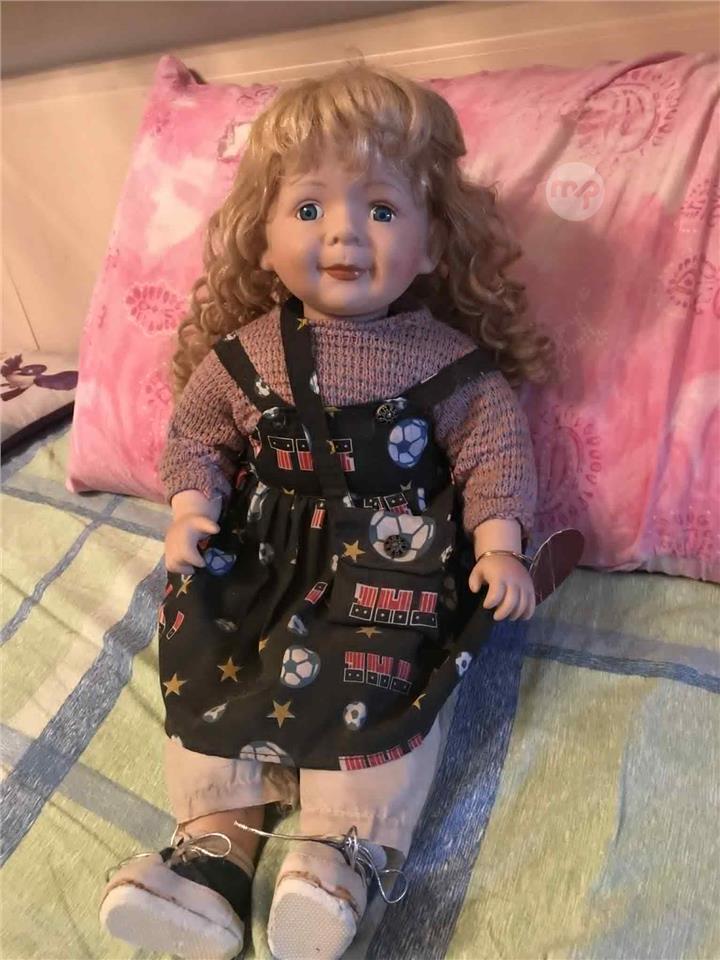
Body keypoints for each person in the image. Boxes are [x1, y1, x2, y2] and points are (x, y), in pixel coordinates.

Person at [100, 58, 553, 960]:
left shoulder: (445, 365)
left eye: (380, 210)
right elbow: (198, 435)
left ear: (431, 244)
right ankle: (213, 856)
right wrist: (192, 509)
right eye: (309, 209)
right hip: (261, 561)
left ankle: (339, 856)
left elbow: (494, 452)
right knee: (213, 654)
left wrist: (500, 545)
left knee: (382, 682)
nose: (344, 232)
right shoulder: (245, 357)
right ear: (264, 240)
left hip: (393, 566)